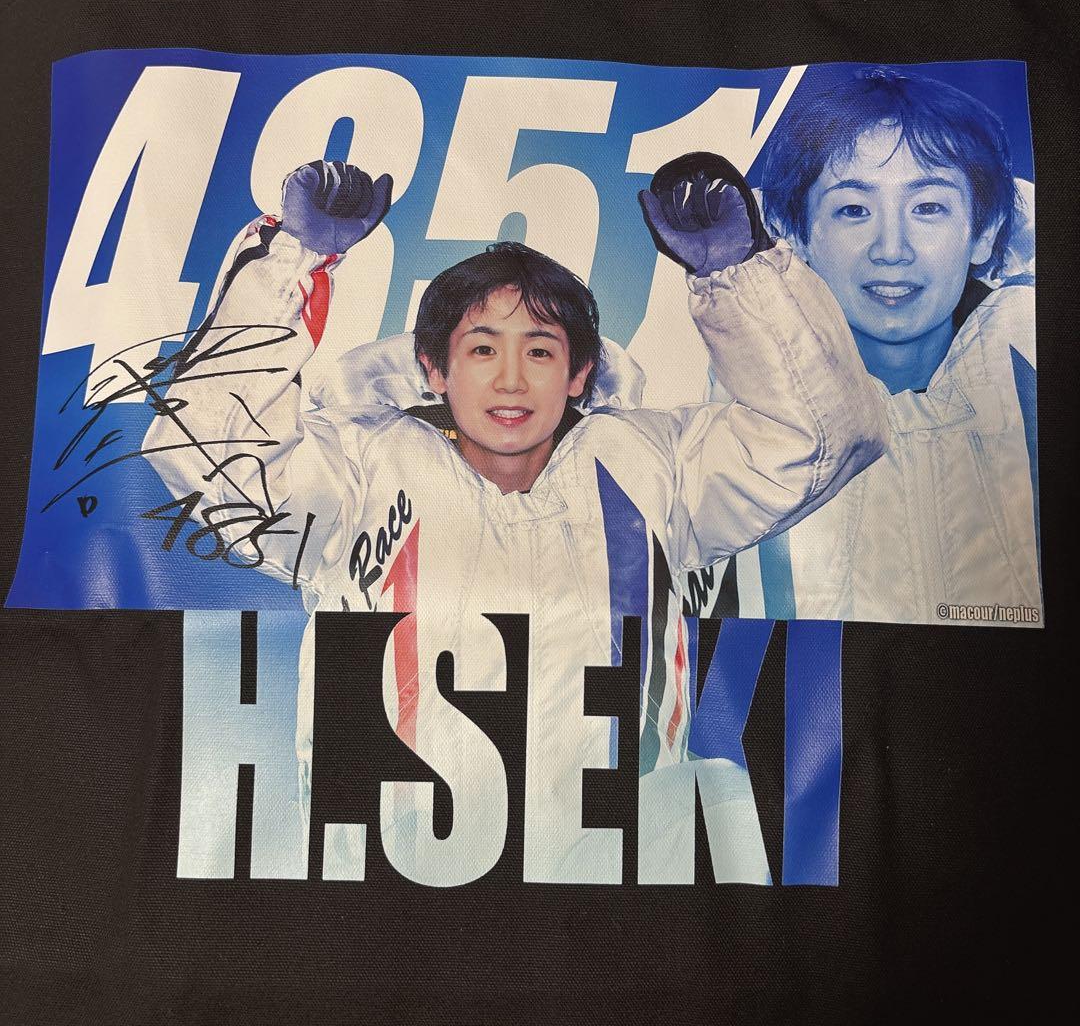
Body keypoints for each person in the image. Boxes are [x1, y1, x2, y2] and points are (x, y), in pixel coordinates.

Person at [143, 158, 887, 884]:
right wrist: (292, 257)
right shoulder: (357, 469)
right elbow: (200, 450)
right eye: (481, 349)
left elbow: (824, 438)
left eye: (539, 350)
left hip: (621, 901)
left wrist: (740, 277)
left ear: (579, 373)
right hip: (389, 903)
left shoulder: (656, 466)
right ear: (433, 368)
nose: (510, 379)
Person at [662, 69, 1040, 626]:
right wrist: (747, 281)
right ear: (796, 233)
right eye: (854, 210)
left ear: (984, 231)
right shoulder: (730, 412)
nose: (891, 249)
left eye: (928, 207)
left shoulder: (1028, 364)